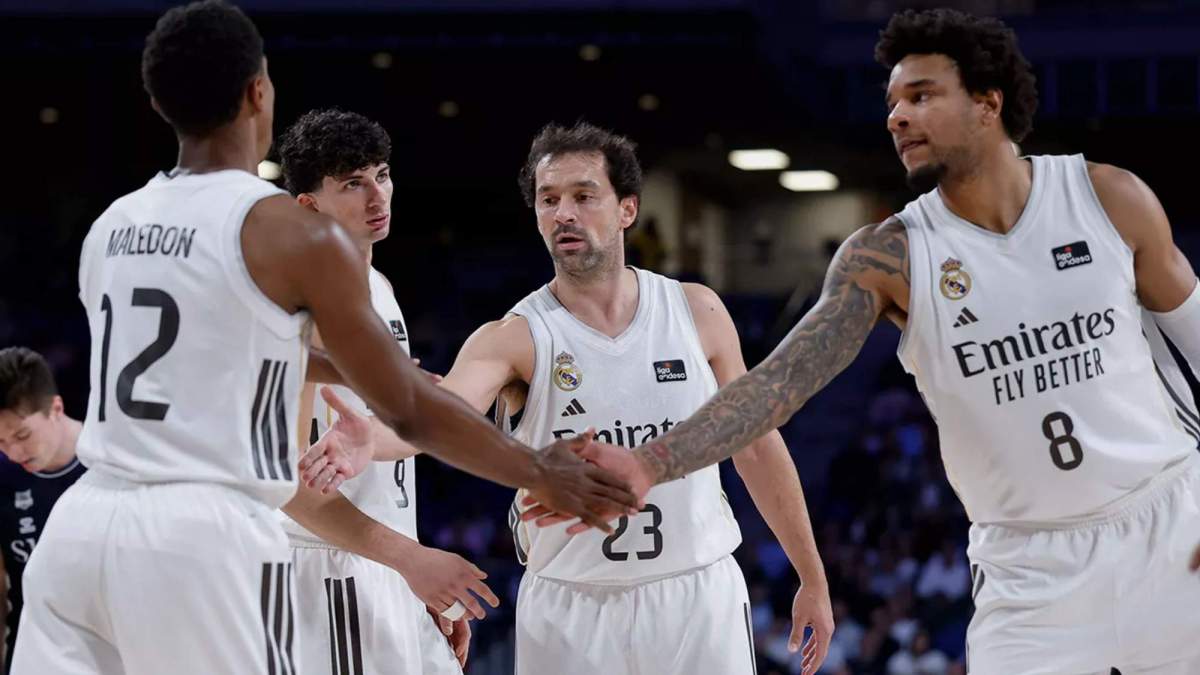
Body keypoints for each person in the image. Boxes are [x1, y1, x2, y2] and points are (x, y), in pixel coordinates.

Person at [528, 8, 1200, 674]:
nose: (896, 116)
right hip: (1030, 572)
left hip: (1170, 529)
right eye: (892, 102)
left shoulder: (1107, 198)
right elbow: (774, 386)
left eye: (921, 95)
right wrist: (649, 464)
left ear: (988, 103)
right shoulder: (889, 257)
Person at [10, 3, 637, 674]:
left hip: (81, 528)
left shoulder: (113, 224)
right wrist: (540, 469)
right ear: (259, 90)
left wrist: (335, 368)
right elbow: (410, 410)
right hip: (199, 531)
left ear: (160, 102)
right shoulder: (282, 231)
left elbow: (205, 347)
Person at [306, 121, 835, 675]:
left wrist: (813, 578)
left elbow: (755, 445)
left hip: (697, 593)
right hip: (571, 608)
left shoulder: (695, 312)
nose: (564, 213)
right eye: (548, 199)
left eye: (584, 196)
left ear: (627, 209)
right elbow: (439, 416)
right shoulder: (512, 337)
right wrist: (375, 438)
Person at [276, 108, 478, 674]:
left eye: (382, 175)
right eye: (352, 184)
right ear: (308, 205)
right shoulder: (298, 303)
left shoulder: (377, 286)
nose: (377, 196)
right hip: (328, 572)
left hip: (383, 565)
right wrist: (411, 561)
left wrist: (413, 578)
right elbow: (284, 484)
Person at [0, 348, 87, 672]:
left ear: (56, 408)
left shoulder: (109, 461)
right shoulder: (3, 477)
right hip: (34, 655)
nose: (12, 452)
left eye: (22, 435)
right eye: (0, 442)